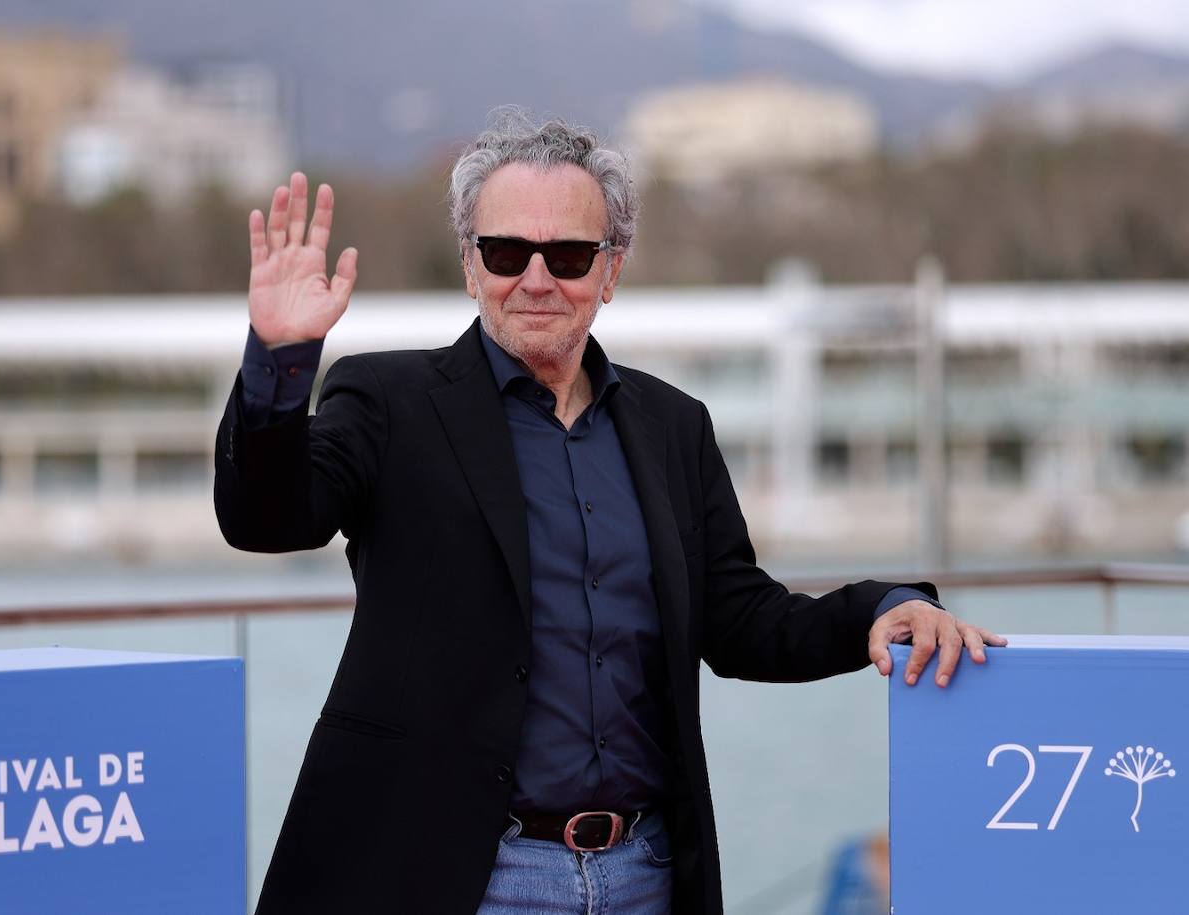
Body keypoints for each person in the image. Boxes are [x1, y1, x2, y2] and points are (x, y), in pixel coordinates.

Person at [215, 109, 1006, 915]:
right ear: (468, 263)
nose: (535, 278)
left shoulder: (673, 426)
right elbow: (267, 517)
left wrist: (886, 605)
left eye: (566, 254)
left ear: (611, 269)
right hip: (461, 877)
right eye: (504, 251)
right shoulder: (388, 401)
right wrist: (279, 359)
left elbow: (739, 617)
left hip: (645, 875)